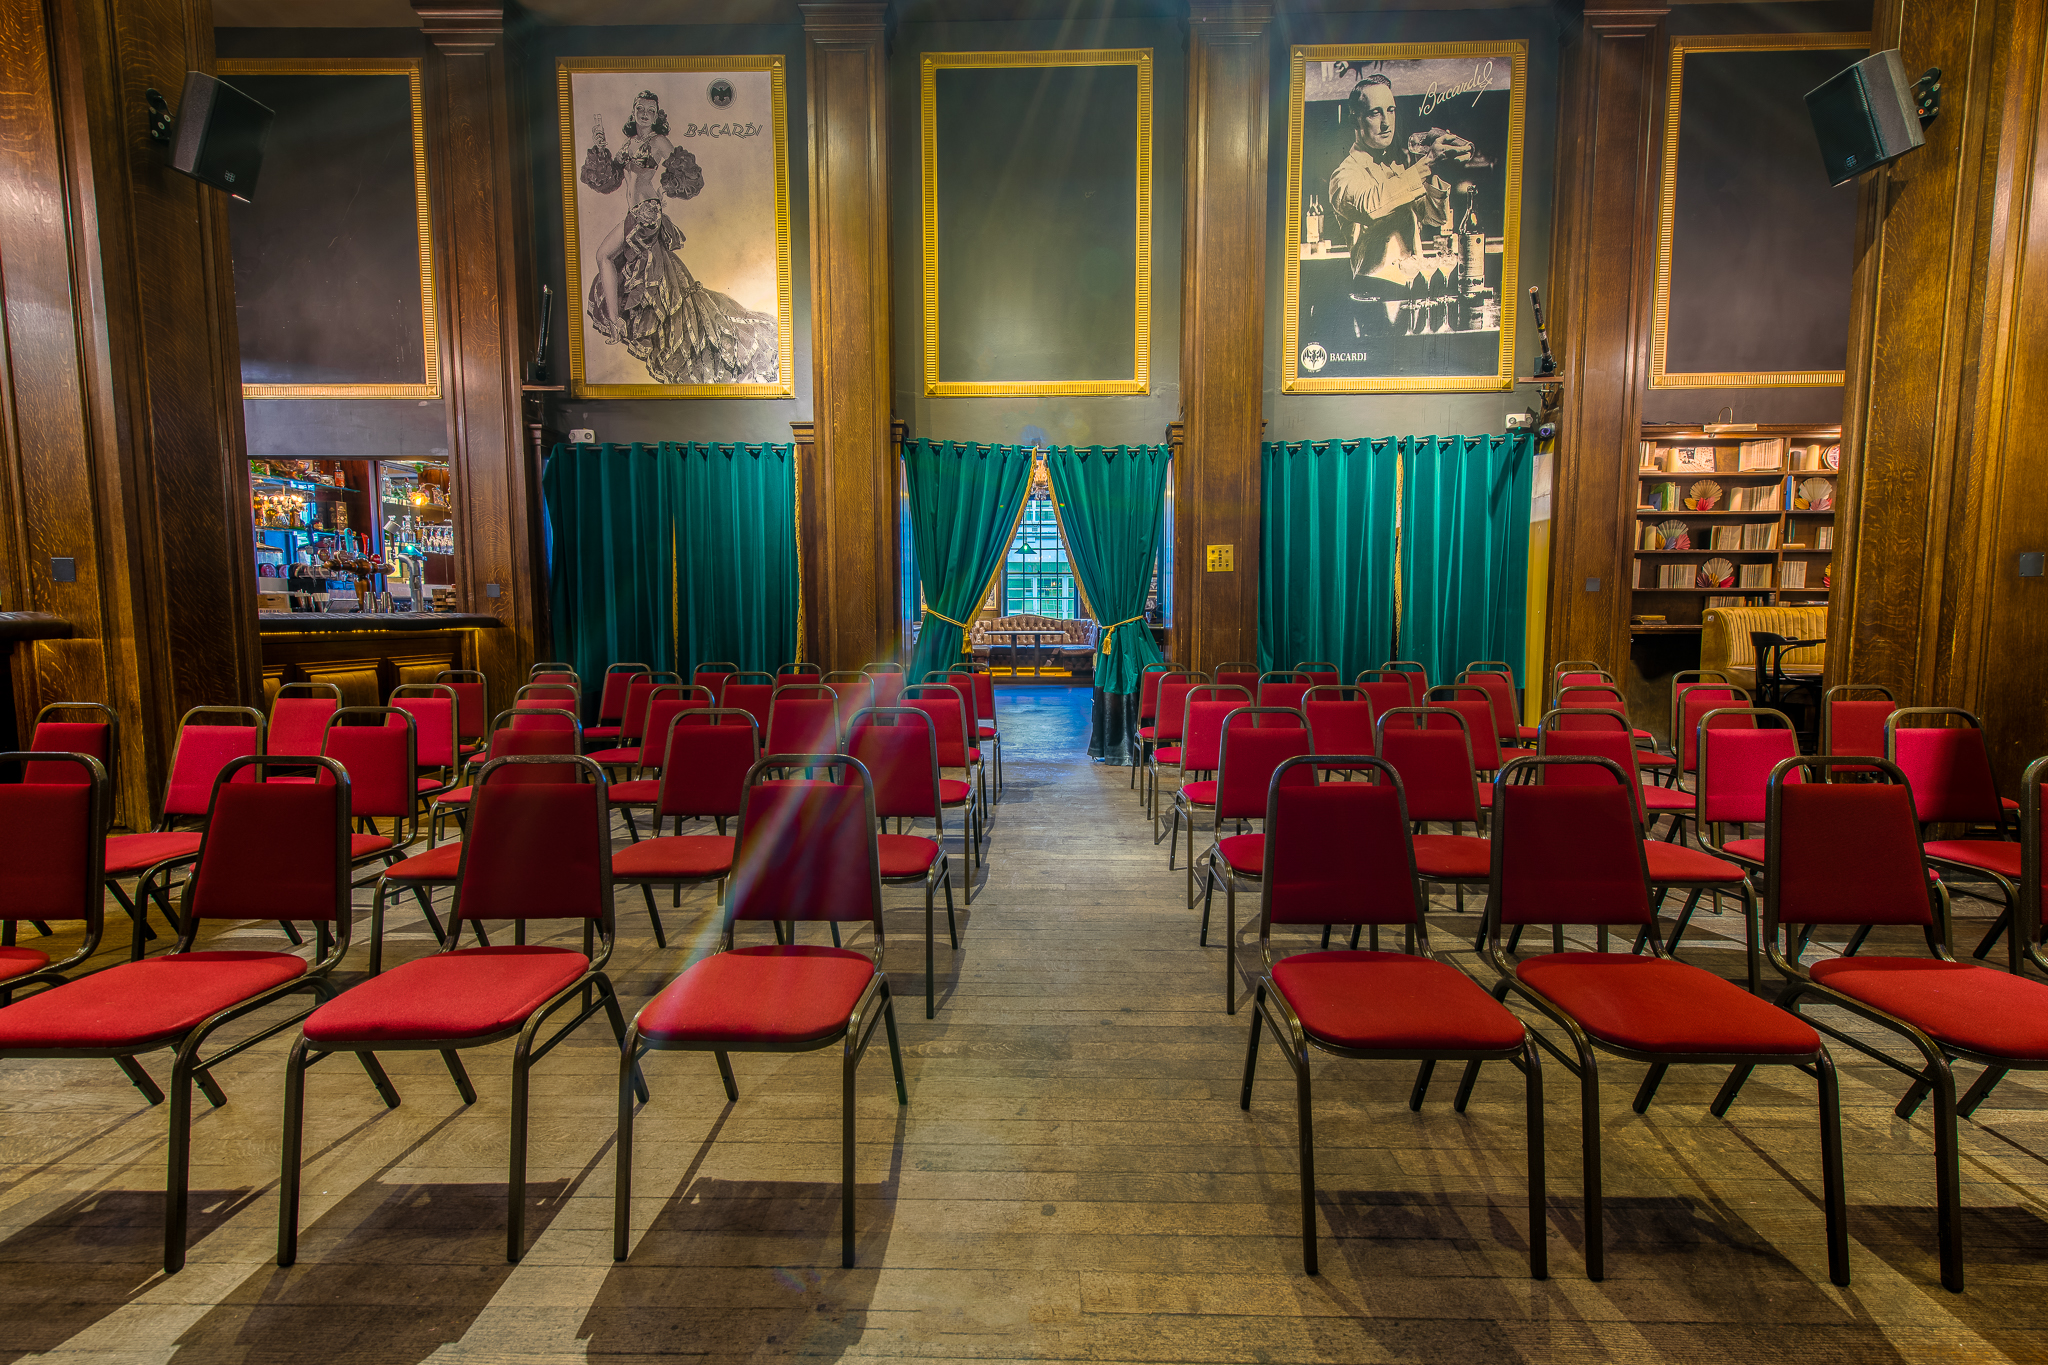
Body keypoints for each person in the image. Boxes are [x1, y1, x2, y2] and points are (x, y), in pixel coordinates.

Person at [580, 90, 777, 385]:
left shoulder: (658, 142)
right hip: (637, 212)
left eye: (651, 109)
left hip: (646, 212)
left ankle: (615, 320)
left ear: (658, 115)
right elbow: (608, 179)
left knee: (607, 257)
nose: (645, 113)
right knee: (648, 279)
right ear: (633, 112)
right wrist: (600, 148)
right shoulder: (630, 143)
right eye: (640, 108)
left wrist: (661, 196)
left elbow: (687, 175)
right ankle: (616, 319)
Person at [1323, 74, 1475, 307]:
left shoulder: (1396, 169)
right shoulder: (1344, 175)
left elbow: (1435, 218)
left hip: (1413, 292)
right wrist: (1425, 165)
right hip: (1374, 298)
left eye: (1391, 110)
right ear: (1355, 120)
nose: (1386, 122)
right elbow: (1370, 205)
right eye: (1375, 113)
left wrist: (1439, 166)